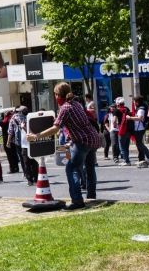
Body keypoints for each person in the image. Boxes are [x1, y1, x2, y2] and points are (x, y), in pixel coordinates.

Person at [26, 82, 101, 210]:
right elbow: (78, 125)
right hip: (93, 138)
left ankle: (77, 200)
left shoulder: (65, 107)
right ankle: (91, 197)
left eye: (55, 94)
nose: (55, 97)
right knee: (89, 168)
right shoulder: (76, 104)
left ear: (58, 95)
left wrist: (36, 136)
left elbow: (55, 129)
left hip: (83, 141)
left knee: (72, 169)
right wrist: (70, 142)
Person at [127, 95, 149, 168]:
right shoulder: (141, 107)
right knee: (138, 144)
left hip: (139, 128)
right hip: (139, 128)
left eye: (134, 102)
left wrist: (129, 118)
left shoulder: (141, 109)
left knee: (139, 143)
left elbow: (139, 118)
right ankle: (141, 158)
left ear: (137, 102)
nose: (134, 104)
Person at [114, 97, 134, 166]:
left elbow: (114, 120)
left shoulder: (116, 110)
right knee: (126, 146)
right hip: (128, 130)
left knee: (122, 147)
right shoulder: (127, 109)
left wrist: (114, 125)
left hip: (122, 130)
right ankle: (127, 160)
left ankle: (126, 161)